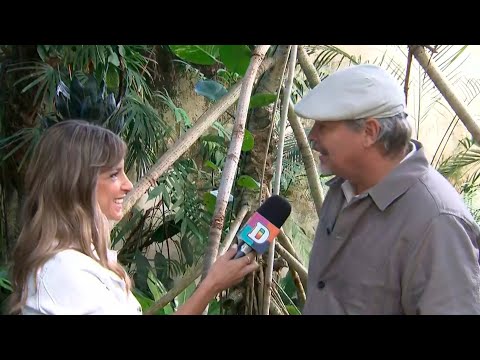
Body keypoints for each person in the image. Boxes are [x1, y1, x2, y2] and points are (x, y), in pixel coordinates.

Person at [8, 119, 258, 315]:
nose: (128, 185)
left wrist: (213, 282)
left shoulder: (78, 260)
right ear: (77, 184)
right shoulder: (62, 271)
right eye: (114, 174)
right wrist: (212, 284)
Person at [293, 63, 480, 315]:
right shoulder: (344, 188)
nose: (312, 135)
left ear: (370, 132)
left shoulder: (438, 222)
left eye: (324, 127)